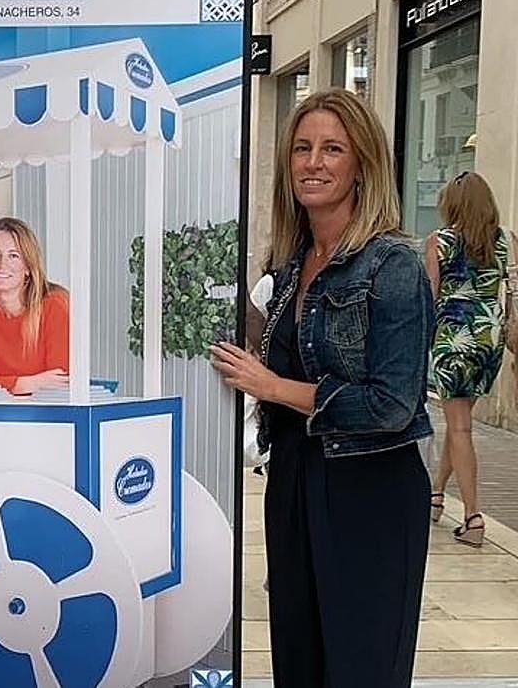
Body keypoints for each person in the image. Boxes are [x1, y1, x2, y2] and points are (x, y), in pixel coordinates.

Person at [211, 89, 433, 688]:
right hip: (293, 483)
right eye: (302, 149)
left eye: (332, 149)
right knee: (299, 662)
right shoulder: (286, 265)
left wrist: (274, 385)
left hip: (371, 492)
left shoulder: (394, 266)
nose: (314, 162)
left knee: (362, 668)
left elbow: (392, 404)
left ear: (362, 164)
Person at [426, 171, 509, 546]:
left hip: (453, 339)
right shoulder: (507, 241)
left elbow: (430, 297)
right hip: (489, 340)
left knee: (459, 427)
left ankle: (474, 518)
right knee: (459, 423)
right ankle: (436, 495)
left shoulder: (440, 242)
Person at [0, 217, 69, 394]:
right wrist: (26, 384)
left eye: (13, 256)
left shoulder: (54, 304)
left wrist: (0, 386)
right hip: (5, 410)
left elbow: (60, 382)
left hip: (51, 413)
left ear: (28, 267)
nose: (2, 265)